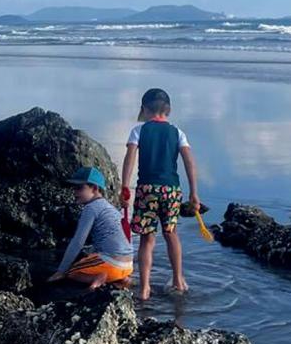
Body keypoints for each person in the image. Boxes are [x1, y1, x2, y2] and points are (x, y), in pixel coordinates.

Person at [121, 88, 200, 298]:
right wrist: (193, 192)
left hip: (147, 189)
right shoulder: (177, 132)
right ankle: (177, 280)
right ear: (169, 110)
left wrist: (124, 187)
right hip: (171, 190)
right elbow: (189, 161)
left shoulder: (139, 131)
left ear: (144, 109)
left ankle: (145, 287)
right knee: (171, 234)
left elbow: (129, 159)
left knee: (147, 239)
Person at [47, 167, 134, 290]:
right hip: (128, 266)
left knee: (71, 271)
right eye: (74, 189)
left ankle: (96, 278)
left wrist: (61, 271)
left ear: (94, 188)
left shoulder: (91, 208)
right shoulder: (110, 208)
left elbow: (78, 242)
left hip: (111, 263)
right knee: (93, 256)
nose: (75, 193)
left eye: (79, 188)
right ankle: (122, 279)